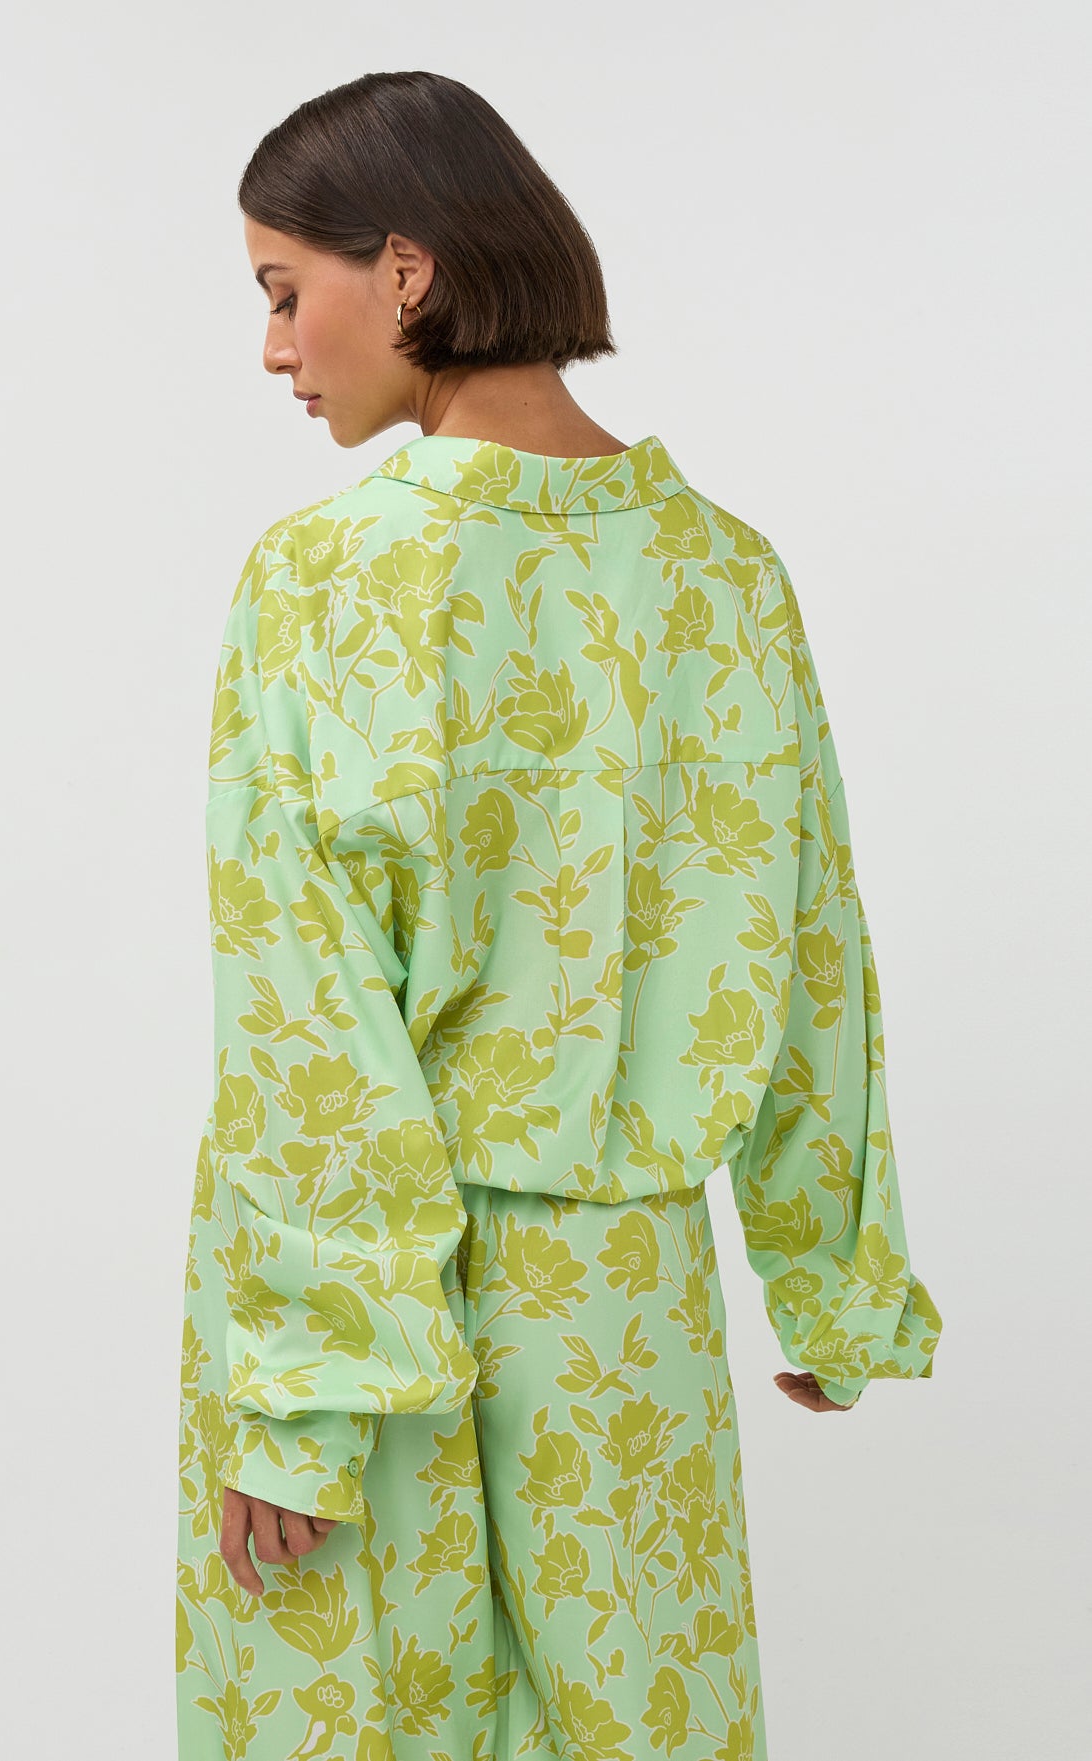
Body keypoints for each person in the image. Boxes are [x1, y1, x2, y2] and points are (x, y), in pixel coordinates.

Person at [175, 69, 943, 1761]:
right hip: (624, 1311)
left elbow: (307, 1013)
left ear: (406, 267)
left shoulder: (323, 582)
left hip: (375, 1322)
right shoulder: (726, 575)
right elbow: (806, 944)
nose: (274, 348)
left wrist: (298, 1398)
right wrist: (830, 1276)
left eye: (284, 292)